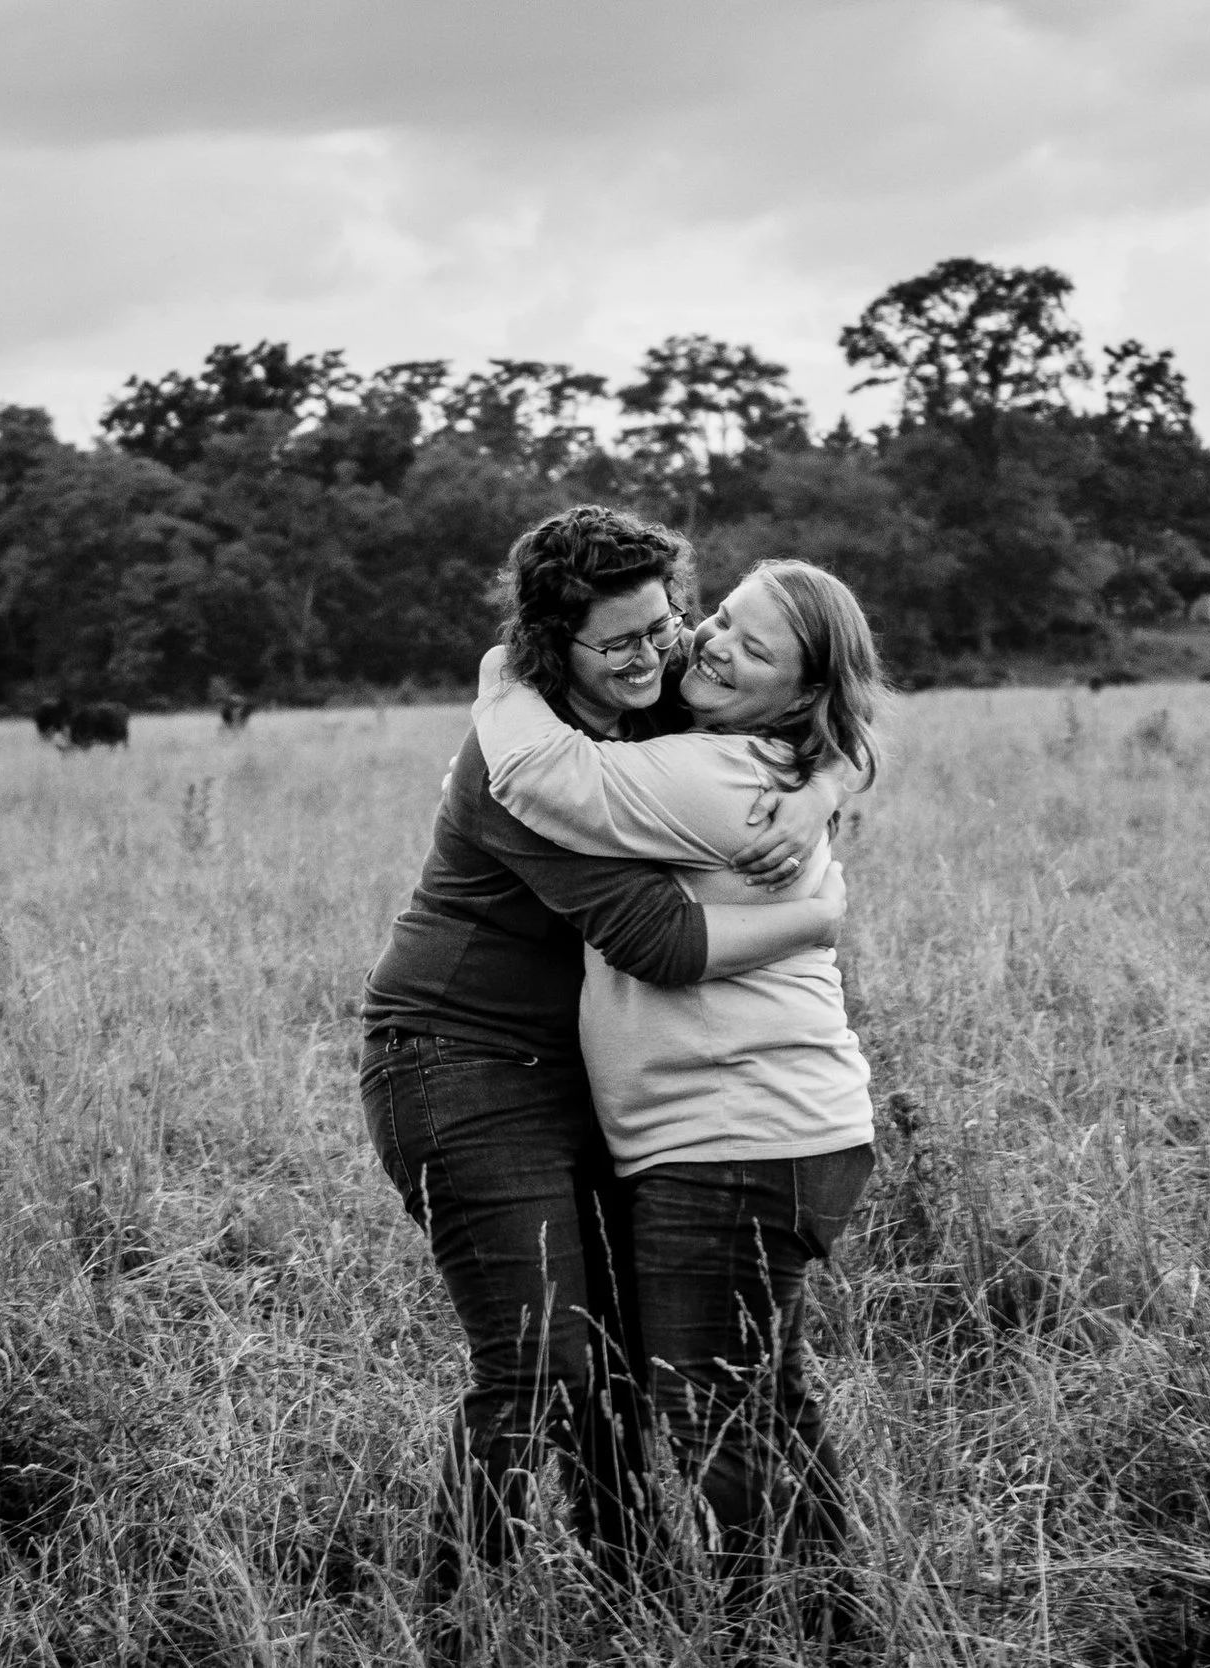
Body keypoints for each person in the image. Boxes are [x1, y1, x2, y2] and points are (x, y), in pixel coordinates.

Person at [359, 509, 848, 1660]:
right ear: (549, 646)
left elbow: (807, 728)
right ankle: (443, 1616)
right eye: (618, 642)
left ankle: (635, 1594)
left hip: (587, 1077)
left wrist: (821, 794)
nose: (655, 657)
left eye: (664, 626)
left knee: (623, 1358)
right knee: (539, 1361)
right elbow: (652, 935)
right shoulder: (516, 764)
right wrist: (820, 914)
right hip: (457, 1059)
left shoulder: (663, 694)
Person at [469, 557, 886, 1644]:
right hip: (766, 1128)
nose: (711, 646)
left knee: (716, 1416)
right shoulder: (766, 756)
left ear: (799, 694)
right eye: (721, 621)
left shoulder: (710, 778)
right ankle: (829, 1626)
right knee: (754, 1403)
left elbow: (534, 774)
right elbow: (847, 739)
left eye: (754, 650)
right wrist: (834, 779)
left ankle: (777, 1633)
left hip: (738, 1134)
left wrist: (502, 662)